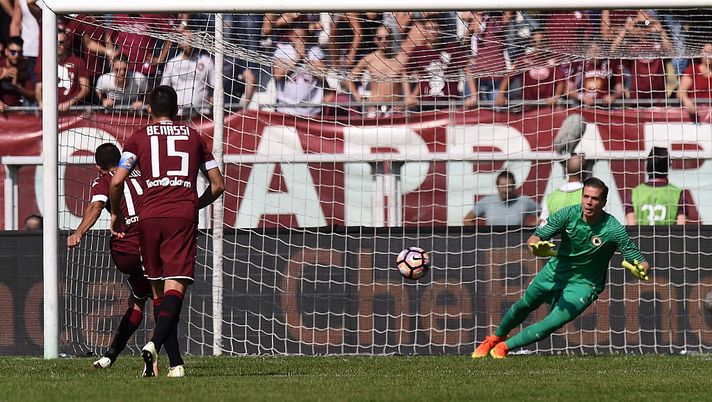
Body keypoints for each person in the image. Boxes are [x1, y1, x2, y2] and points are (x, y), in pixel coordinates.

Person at [109, 85, 224, 378]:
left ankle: (175, 364)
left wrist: (116, 213)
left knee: (158, 289)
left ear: (149, 110)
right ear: (177, 111)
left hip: (148, 218)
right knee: (176, 288)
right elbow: (218, 185)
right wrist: (194, 204)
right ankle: (154, 344)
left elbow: (116, 182)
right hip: (181, 216)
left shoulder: (137, 137)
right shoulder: (194, 136)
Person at [472, 177, 651, 359]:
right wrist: (536, 248)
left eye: (595, 198)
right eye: (586, 197)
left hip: (584, 283)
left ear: (603, 202)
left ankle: (503, 348)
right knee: (523, 306)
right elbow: (534, 239)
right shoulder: (567, 214)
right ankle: (494, 338)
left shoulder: (613, 229)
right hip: (555, 272)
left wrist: (641, 270)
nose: (589, 202)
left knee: (553, 322)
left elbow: (640, 260)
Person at [67, 143, 185, 372]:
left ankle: (110, 355)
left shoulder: (103, 179)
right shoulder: (142, 173)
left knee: (138, 299)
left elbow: (96, 205)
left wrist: (79, 232)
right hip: (151, 242)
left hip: (125, 251)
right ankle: (175, 362)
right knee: (161, 300)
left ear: (98, 166)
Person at [625, 146, 688, 225]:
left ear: (647, 166)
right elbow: (681, 231)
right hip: (668, 237)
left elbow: (631, 229)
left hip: (641, 237)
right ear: (668, 166)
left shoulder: (634, 193)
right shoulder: (678, 194)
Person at [160, 29, 215, 116]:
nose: (188, 43)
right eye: (185, 40)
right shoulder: (172, 63)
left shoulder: (206, 60)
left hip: (202, 114)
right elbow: (164, 87)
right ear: (179, 43)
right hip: (179, 114)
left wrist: (213, 98)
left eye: (191, 40)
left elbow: (215, 84)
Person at [34, 28, 90, 112]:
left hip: (73, 113)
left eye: (61, 42)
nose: (58, 45)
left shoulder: (78, 62)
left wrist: (69, 103)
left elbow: (85, 89)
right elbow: (38, 89)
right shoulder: (45, 63)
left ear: (67, 42)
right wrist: (41, 102)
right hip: (50, 112)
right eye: (55, 42)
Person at [463, 170, 538, 227]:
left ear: (514, 187)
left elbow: (544, 216)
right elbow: (467, 220)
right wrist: (482, 234)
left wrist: (529, 227)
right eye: (502, 186)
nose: (505, 190)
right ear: (497, 186)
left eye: (509, 187)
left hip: (516, 244)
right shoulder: (487, 201)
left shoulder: (524, 201)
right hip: (491, 244)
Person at [539, 153, 587, 222]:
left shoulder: (551, 197)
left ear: (566, 170)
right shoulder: (593, 196)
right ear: (586, 172)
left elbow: (543, 225)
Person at [0, 35, 34, 110]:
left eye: (20, 52)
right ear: (6, 52)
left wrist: (17, 86)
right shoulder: (1, 64)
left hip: (20, 108)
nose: (16, 55)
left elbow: (33, 95)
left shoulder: (26, 66)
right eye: (13, 52)